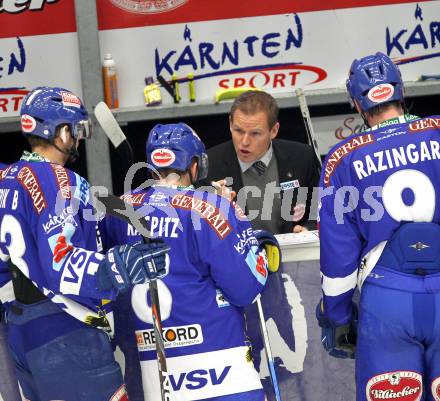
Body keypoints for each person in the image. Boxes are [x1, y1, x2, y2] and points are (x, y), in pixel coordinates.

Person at [0, 86, 170, 401]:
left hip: (21, 333)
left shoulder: (7, 178)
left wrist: (135, 205)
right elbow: (60, 262)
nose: (78, 139)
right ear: (61, 132)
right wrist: (117, 268)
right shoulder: (59, 180)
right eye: (77, 130)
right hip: (65, 331)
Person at [101, 122, 281, 401]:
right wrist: (255, 247)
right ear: (195, 165)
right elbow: (245, 288)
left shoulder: (116, 211)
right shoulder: (212, 208)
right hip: (221, 373)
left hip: (152, 379)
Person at [316, 52, 440, 401]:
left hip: (388, 301)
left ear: (357, 103)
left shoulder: (341, 158)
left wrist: (338, 315)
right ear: (400, 91)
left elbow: (337, 254)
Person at [205, 90, 320, 234]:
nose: (244, 142)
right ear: (230, 123)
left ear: (274, 130)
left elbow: (319, 211)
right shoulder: (210, 165)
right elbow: (198, 231)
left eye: (255, 133)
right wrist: (216, 210)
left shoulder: (302, 157)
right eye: (239, 131)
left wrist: (307, 229)